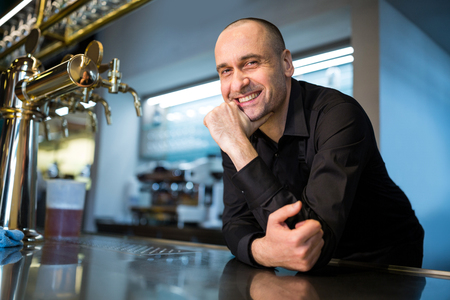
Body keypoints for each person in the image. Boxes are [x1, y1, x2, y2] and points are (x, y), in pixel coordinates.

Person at [203, 18, 424, 272]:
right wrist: (263, 251)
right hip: (309, 267)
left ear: (286, 64)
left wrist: (238, 147)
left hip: (383, 261)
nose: (237, 83)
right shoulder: (237, 131)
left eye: (251, 63)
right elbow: (235, 223)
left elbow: (313, 248)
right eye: (226, 71)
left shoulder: (339, 114)